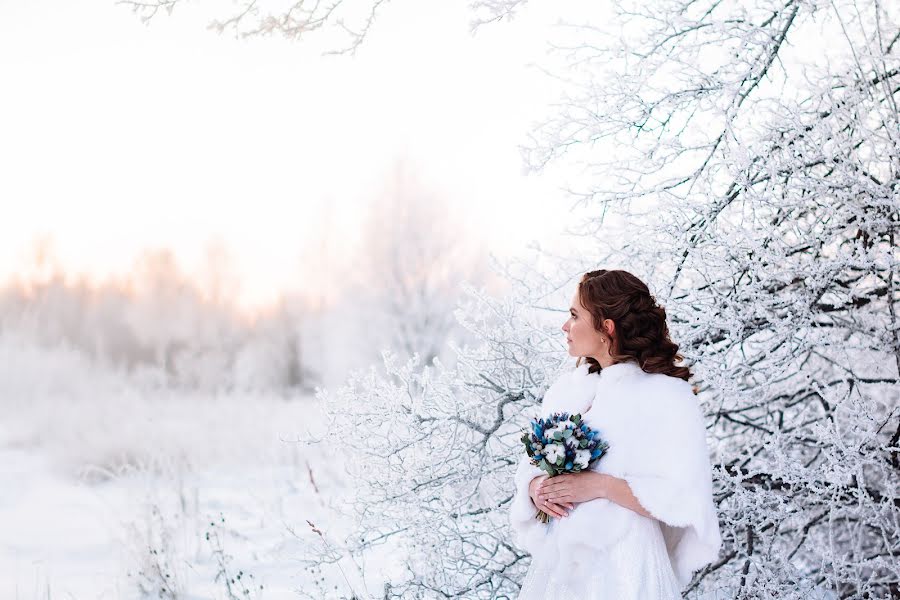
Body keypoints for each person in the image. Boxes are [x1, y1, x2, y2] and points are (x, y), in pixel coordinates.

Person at [510, 269, 722, 599]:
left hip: (626, 567)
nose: (565, 326)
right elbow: (529, 467)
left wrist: (601, 486)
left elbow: (684, 497)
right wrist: (536, 487)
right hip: (561, 570)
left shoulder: (667, 397)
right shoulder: (567, 392)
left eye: (575, 315)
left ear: (606, 328)